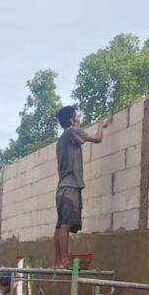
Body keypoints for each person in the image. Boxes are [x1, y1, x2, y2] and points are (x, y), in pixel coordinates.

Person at [54, 105, 108, 267]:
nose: (80, 120)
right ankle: (64, 260)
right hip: (70, 187)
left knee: (60, 225)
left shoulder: (61, 140)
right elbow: (97, 139)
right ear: (71, 120)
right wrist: (101, 125)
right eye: (78, 117)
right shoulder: (72, 131)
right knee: (65, 224)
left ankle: (58, 261)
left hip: (62, 188)